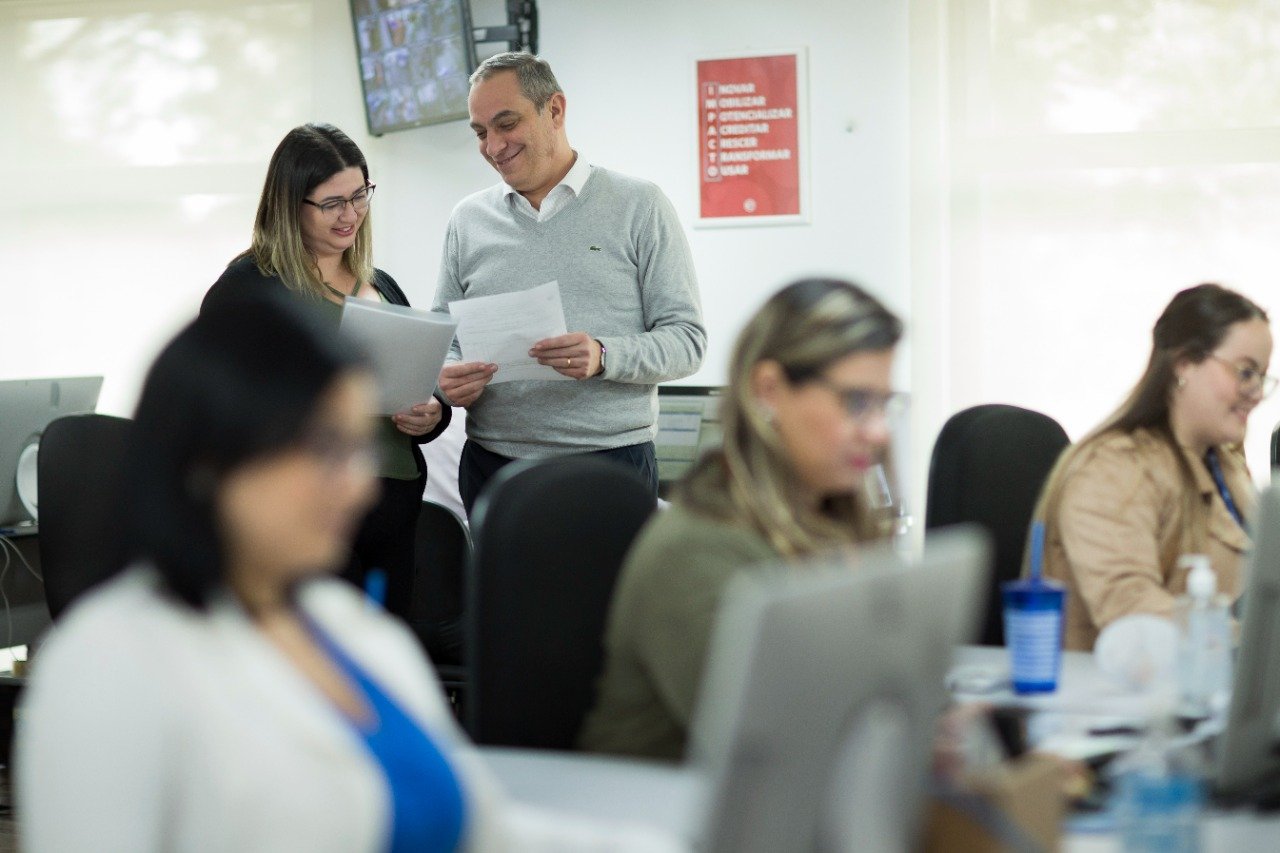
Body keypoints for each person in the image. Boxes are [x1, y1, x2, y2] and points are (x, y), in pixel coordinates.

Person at [16, 296, 684, 853]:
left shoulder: (350, 629)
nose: (359, 486)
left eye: (358, 449)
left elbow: (484, 831)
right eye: (324, 450)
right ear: (211, 460)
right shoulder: (111, 664)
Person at [578, 278, 904, 761]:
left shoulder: (838, 516)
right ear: (768, 390)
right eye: (857, 402)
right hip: (662, 814)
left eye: (884, 404)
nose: (877, 432)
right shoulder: (697, 548)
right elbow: (774, 743)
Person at [431, 52, 706, 515]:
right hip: (493, 467)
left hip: (610, 466)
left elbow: (687, 342)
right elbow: (444, 337)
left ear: (555, 109)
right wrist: (447, 379)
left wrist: (603, 355)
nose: (493, 146)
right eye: (481, 133)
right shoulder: (467, 220)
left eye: (506, 124)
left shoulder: (640, 206)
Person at [203, 123, 449, 624]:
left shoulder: (381, 286)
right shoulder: (251, 288)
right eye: (331, 202)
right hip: (306, 519)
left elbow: (422, 387)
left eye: (360, 195)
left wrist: (433, 412)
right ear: (290, 204)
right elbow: (215, 406)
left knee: (378, 669)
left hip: (392, 511)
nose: (351, 214)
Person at [1034, 283, 1273, 651]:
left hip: (1209, 690)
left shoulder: (1224, 464)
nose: (1256, 393)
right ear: (1184, 365)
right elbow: (1132, 613)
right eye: (1245, 372)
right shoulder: (1113, 468)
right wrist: (1262, 643)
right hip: (1120, 698)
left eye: (1262, 377)